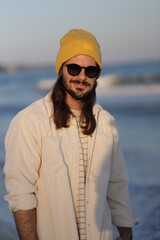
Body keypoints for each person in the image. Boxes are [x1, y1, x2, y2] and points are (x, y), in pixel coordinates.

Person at [4, 29, 135, 240]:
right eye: (74, 68)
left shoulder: (106, 123)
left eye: (90, 71)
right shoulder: (29, 122)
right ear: (61, 69)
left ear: (97, 76)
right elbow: (21, 196)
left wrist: (127, 234)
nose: (82, 77)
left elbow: (117, 185)